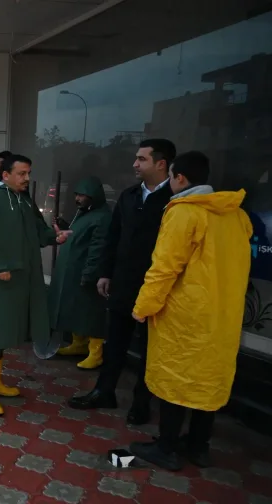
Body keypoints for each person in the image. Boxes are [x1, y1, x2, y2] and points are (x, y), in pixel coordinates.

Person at [129, 151, 252, 470]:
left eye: (171, 176)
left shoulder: (184, 212)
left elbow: (164, 268)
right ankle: (198, 446)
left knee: (175, 377)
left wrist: (143, 306)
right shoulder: (236, 214)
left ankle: (166, 447)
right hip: (223, 314)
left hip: (185, 314)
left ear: (180, 178)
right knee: (207, 380)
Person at [68, 139, 176, 425]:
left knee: (150, 348)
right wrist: (105, 273)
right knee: (115, 341)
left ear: (161, 164)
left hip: (157, 288)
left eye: (141, 159)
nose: (135, 164)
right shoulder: (129, 196)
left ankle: (142, 402)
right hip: (123, 283)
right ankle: (104, 391)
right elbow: (113, 237)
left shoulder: (175, 200)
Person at [0, 154, 71, 416]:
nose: (27, 178)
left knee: (5, 331)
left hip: (19, 279)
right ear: (5, 175)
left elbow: (37, 229)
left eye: (28, 173)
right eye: (21, 174)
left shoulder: (22, 199)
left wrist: (55, 237)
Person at [48, 176, 111, 369]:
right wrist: (65, 227)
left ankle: (95, 353)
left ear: (93, 196)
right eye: (76, 195)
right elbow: (79, 236)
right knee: (76, 310)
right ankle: (79, 344)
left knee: (90, 314)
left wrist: (91, 274)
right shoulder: (84, 214)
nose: (77, 199)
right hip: (73, 271)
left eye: (81, 195)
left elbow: (98, 248)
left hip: (86, 273)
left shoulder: (102, 217)